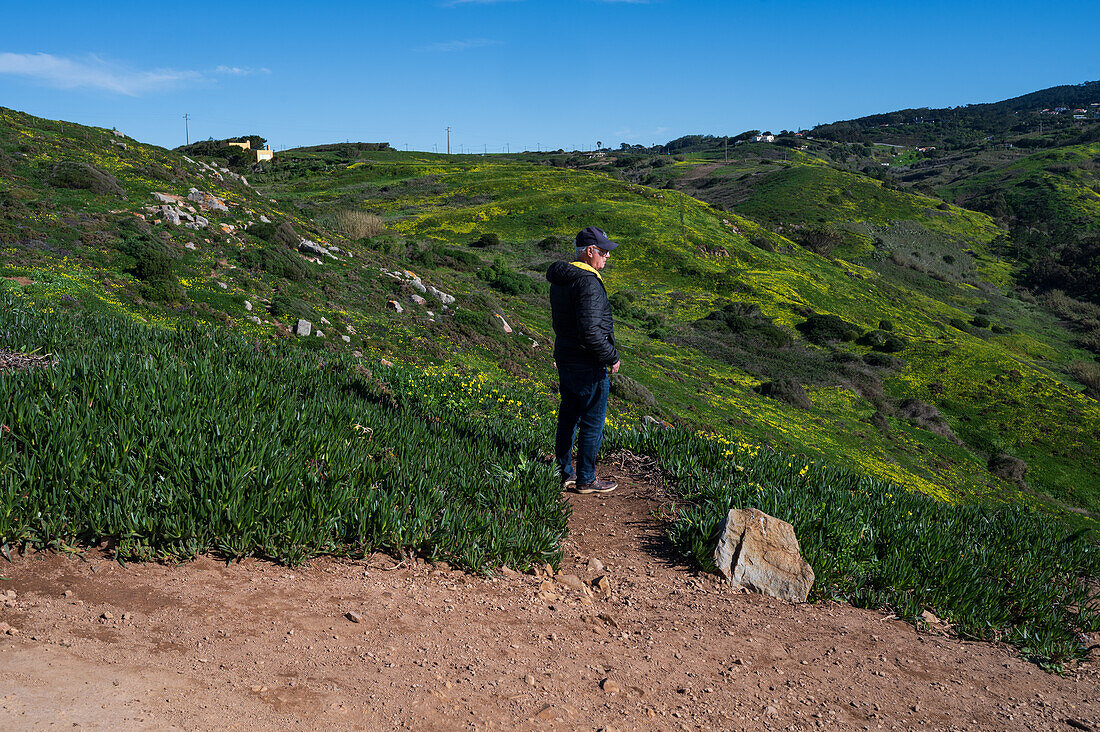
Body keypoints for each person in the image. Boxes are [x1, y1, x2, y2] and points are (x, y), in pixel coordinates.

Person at [545, 226, 622, 494]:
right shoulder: (587, 281)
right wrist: (611, 356)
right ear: (589, 252)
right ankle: (586, 479)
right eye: (603, 252)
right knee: (592, 420)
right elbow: (590, 330)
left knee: (567, 416)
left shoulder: (562, 278)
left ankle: (564, 472)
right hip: (587, 362)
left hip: (565, 357)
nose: (607, 257)